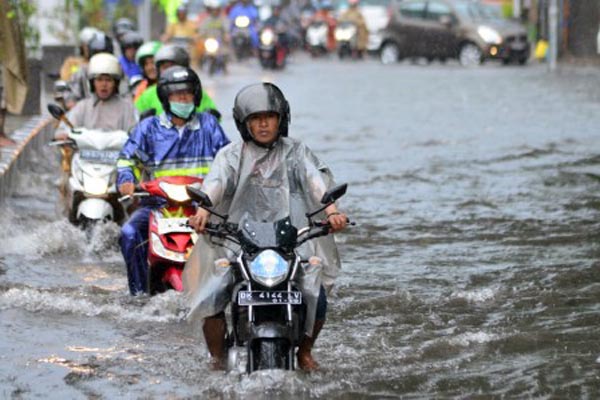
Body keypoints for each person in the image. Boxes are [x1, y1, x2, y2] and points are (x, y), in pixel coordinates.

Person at [185, 82, 348, 371]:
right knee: (212, 294)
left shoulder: (297, 152)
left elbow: (315, 182)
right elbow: (216, 182)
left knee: (317, 294)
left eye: (269, 117)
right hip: (238, 240)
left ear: (281, 119)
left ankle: (305, 352)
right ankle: (217, 358)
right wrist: (203, 210)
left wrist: (332, 211)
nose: (263, 123)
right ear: (243, 123)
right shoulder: (231, 155)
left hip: (290, 239)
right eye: (255, 118)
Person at [117, 66, 230, 296]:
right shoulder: (148, 128)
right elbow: (127, 160)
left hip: (201, 208)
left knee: (232, 240)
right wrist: (127, 180)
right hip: (157, 205)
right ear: (166, 98)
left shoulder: (209, 126)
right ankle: (138, 296)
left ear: (195, 96)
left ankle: (227, 295)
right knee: (129, 234)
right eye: (177, 95)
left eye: (187, 94)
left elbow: (228, 160)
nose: (182, 99)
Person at [55, 53, 137, 140]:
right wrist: (64, 134)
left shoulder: (126, 108)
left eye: (108, 80)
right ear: (92, 83)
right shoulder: (83, 107)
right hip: (84, 153)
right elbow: (64, 128)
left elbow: (135, 132)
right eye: (99, 80)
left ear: (116, 84)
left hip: (119, 153)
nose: (103, 84)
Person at [135, 44, 220, 119]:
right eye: (165, 67)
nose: (170, 71)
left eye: (173, 67)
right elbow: (134, 121)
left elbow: (214, 122)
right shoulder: (148, 95)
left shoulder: (197, 92)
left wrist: (210, 116)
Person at [67, 32, 115, 106]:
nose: (104, 84)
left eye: (108, 80)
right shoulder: (81, 72)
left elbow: (126, 95)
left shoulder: (118, 71)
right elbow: (72, 96)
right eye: (97, 53)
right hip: (88, 114)